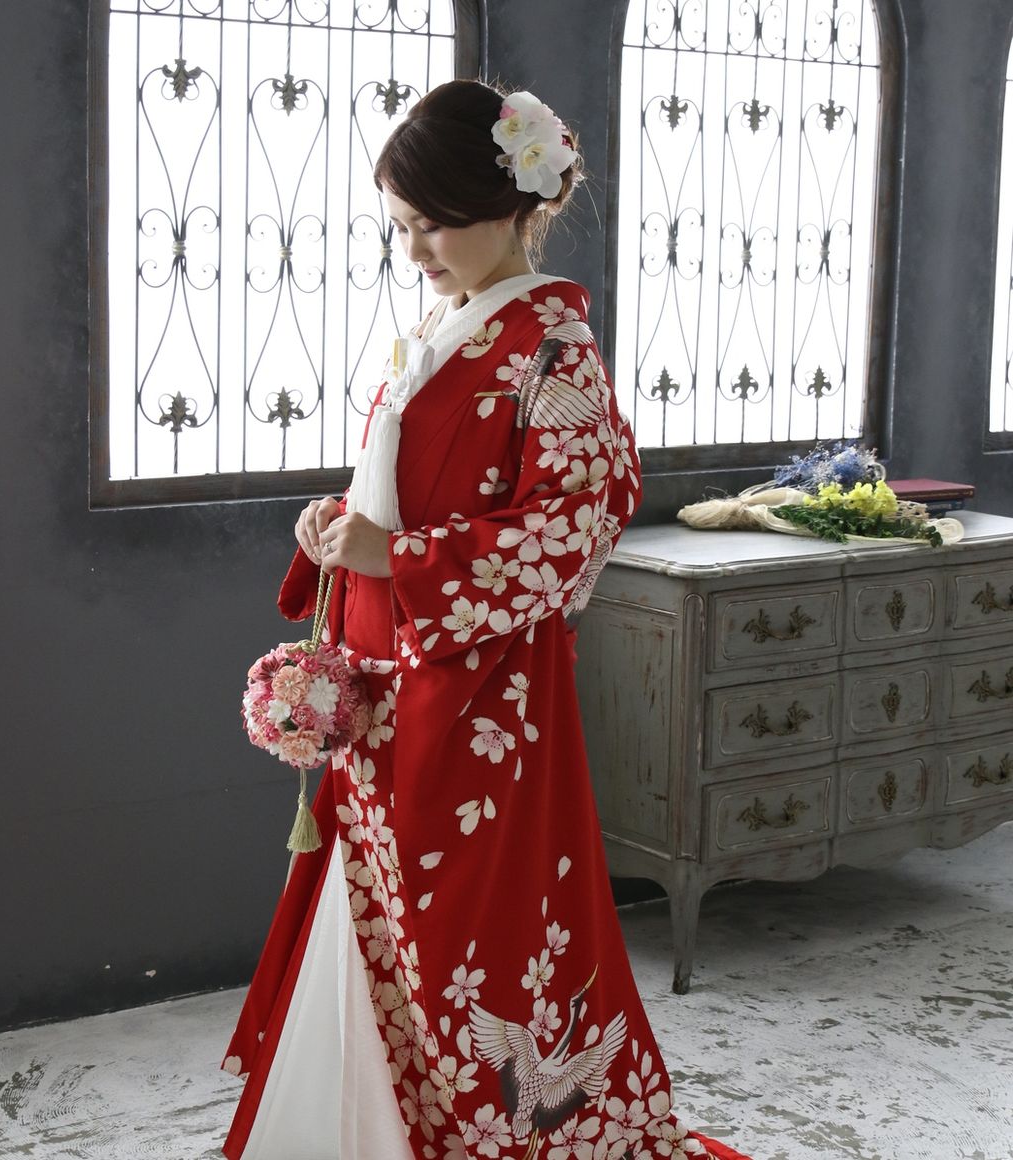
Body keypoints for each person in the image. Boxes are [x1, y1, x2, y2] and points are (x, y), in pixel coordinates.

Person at [220, 79, 751, 1160]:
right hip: (389, 676)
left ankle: (506, 1137)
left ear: (512, 206)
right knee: (385, 905)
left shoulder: (555, 349)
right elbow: (409, 491)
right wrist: (341, 524)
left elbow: (579, 519)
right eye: (401, 225)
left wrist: (400, 556)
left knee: (475, 932)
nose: (415, 248)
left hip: (480, 698)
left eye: (435, 223)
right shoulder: (444, 324)